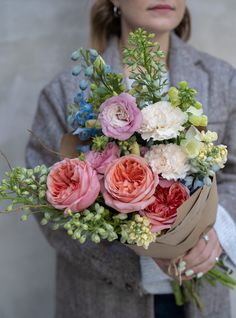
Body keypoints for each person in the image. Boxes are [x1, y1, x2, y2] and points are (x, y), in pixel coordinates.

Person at [25, 1, 236, 317]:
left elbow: (232, 172)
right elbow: (46, 202)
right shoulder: (65, 92)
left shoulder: (222, 79)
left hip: (200, 294)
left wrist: (215, 233)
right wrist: (143, 255)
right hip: (105, 299)